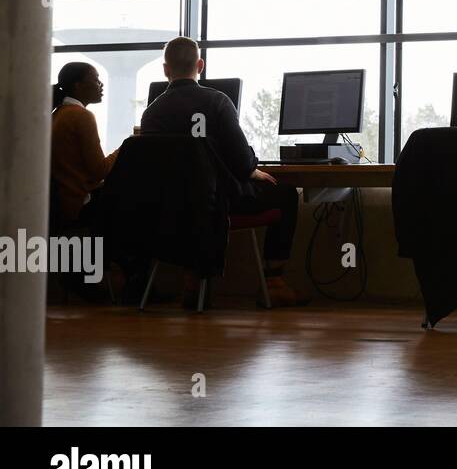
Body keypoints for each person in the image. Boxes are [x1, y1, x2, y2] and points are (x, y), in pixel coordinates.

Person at [140, 37, 309, 309]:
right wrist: (254, 171)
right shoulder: (217, 101)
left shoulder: (151, 113)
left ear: (165, 69)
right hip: (218, 201)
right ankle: (274, 283)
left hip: (170, 206)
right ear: (200, 65)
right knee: (286, 194)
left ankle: (191, 279)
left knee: (193, 205)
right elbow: (241, 162)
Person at [50, 62, 121, 300]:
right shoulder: (81, 116)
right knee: (134, 214)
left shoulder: (57, 115)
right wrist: (125, 149)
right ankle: (133, 282)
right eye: (96, 79)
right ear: (79, 86)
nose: (101, 85)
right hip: (79, 203)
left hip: (62, 202)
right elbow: (99, 169)